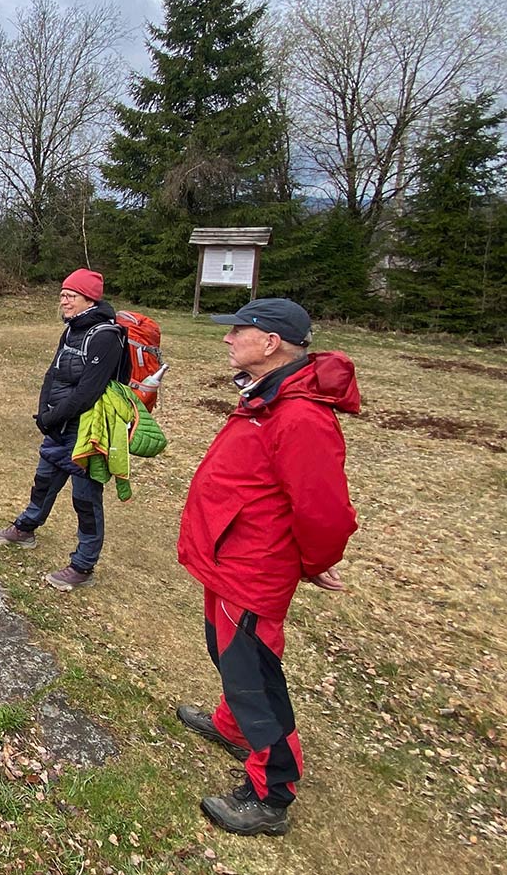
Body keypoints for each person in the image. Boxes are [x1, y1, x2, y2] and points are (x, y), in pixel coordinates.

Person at [175, 298, 359, 837]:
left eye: (239, 332)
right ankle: (232, 727)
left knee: (253, 674)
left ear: (271, 342)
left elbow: (323, 509)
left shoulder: (301, 415)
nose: (229, 340)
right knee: (227, 655)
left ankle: (271, 790)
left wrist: (317, 561)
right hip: (229, 558)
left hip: (253, 567)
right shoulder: (269, 394)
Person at [0, 268, 129, 591]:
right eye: (63, 294)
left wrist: (52, 418)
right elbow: (52, 374)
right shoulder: (70, 331)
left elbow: (88, 392)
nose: (63, 300)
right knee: (43, 481)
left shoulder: (106, 337)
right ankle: (26, 528)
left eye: (71, 296)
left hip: (86, 432)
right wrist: (43, 413)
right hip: (58, 425)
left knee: (85, 498)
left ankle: (83, 565)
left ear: (89, 299)